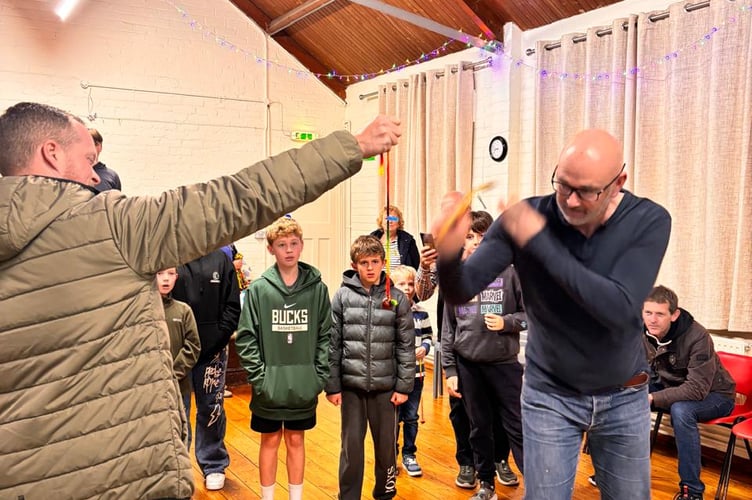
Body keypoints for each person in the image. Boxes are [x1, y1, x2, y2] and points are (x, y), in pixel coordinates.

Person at [0, 101, 400, 499]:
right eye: (88, 159)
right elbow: (236, 198)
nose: (94, 174)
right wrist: (352, 145)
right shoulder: (111, 224)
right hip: (122, 477)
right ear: (51, 154)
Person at [434, 128, 672, 500]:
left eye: (587, 191)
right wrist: (447, 254)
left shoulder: (648, 220)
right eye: (563, 185)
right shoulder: (525, 217)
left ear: (619, 182)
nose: (571, 202)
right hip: (550, 395)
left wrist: (540, 242)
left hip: (624, 395)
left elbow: (618, 307)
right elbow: (462, 290)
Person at [234, 216, 332, 500]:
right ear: (271, 249)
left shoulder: (317, 289)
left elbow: (326, 335)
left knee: (296, 440)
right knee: (270, 440)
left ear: (301, 246)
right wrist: (260, 378)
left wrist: (318, 376)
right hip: (269, 387)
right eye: (281, 245)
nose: (288, 250)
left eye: (293, 244)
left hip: (303, 385)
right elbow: (247, 337)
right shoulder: (258, 290)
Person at [325, 235, 416, 500]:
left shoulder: (397, 298)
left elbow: (405, 346)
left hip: (386, 389)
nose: (370, 268)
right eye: (364, 262)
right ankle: (349, 495)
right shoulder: (342, 296)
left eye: (375, 262)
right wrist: (332, 385)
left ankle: (385, 492)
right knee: (351, 448)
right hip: (351, 388)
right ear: (354, 265)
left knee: (386, 448)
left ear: (383, 262)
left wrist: (403, 385)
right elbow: (333, 344)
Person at [442, 211, 525, 500]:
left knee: (516, 426)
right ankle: (486, 484)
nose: (475, 242)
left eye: (482, 236)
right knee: (479, 428)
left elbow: (531, 317)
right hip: (469, 367)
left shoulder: (512, 272)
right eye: (469, 237)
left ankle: (539, 485)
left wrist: (508, 323)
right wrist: (450, 371)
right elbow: (448, 331)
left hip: (505, 365)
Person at [643, 286, 735, 500]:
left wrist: (652, 398)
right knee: (621, 395)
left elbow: (696, 389)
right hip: (670, 387)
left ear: (674, 315)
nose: (652, 320)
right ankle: (611, 473)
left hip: (716, 395)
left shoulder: (697, 335)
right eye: (648, 313)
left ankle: (692, 492)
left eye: (660, 314)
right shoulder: (643, 331)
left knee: (682, 410)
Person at [171, 249, 241, 490]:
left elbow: (233, 306)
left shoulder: (221, 261)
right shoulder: (170, 256)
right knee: (177, 407)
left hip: (213, 348)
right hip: (177, 351)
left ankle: (213, 464)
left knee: (211, 406)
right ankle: (176, 467)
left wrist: (217, 339)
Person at [390, 265, 433, 477]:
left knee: (411, 416)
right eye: (401, 284)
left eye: (410, 284)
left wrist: (424, 348)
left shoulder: (421, 313)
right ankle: (391, 456)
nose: (407, 288)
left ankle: (409, 453)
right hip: (393, 376)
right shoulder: (387, 310)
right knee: (393, 418)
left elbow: (428, 336)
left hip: (416, 375)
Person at [156, 266, 202, 443]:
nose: (166, 279)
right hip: (151, 386)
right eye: (160, 274)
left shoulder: (183, 311)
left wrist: (172, 373)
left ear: (176, 277)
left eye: (170, 274)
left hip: (179, 385)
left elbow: (193, 345)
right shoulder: (142, 312)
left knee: (181, 427)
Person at [371, 204, 420, 269]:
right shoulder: (371, 239)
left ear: (399, 223)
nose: (390, 221)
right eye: (387, 218)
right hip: (377, 278)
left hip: (400, 279)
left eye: (394, 218)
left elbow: (416, 267)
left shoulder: (408, 240)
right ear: (381, 222)